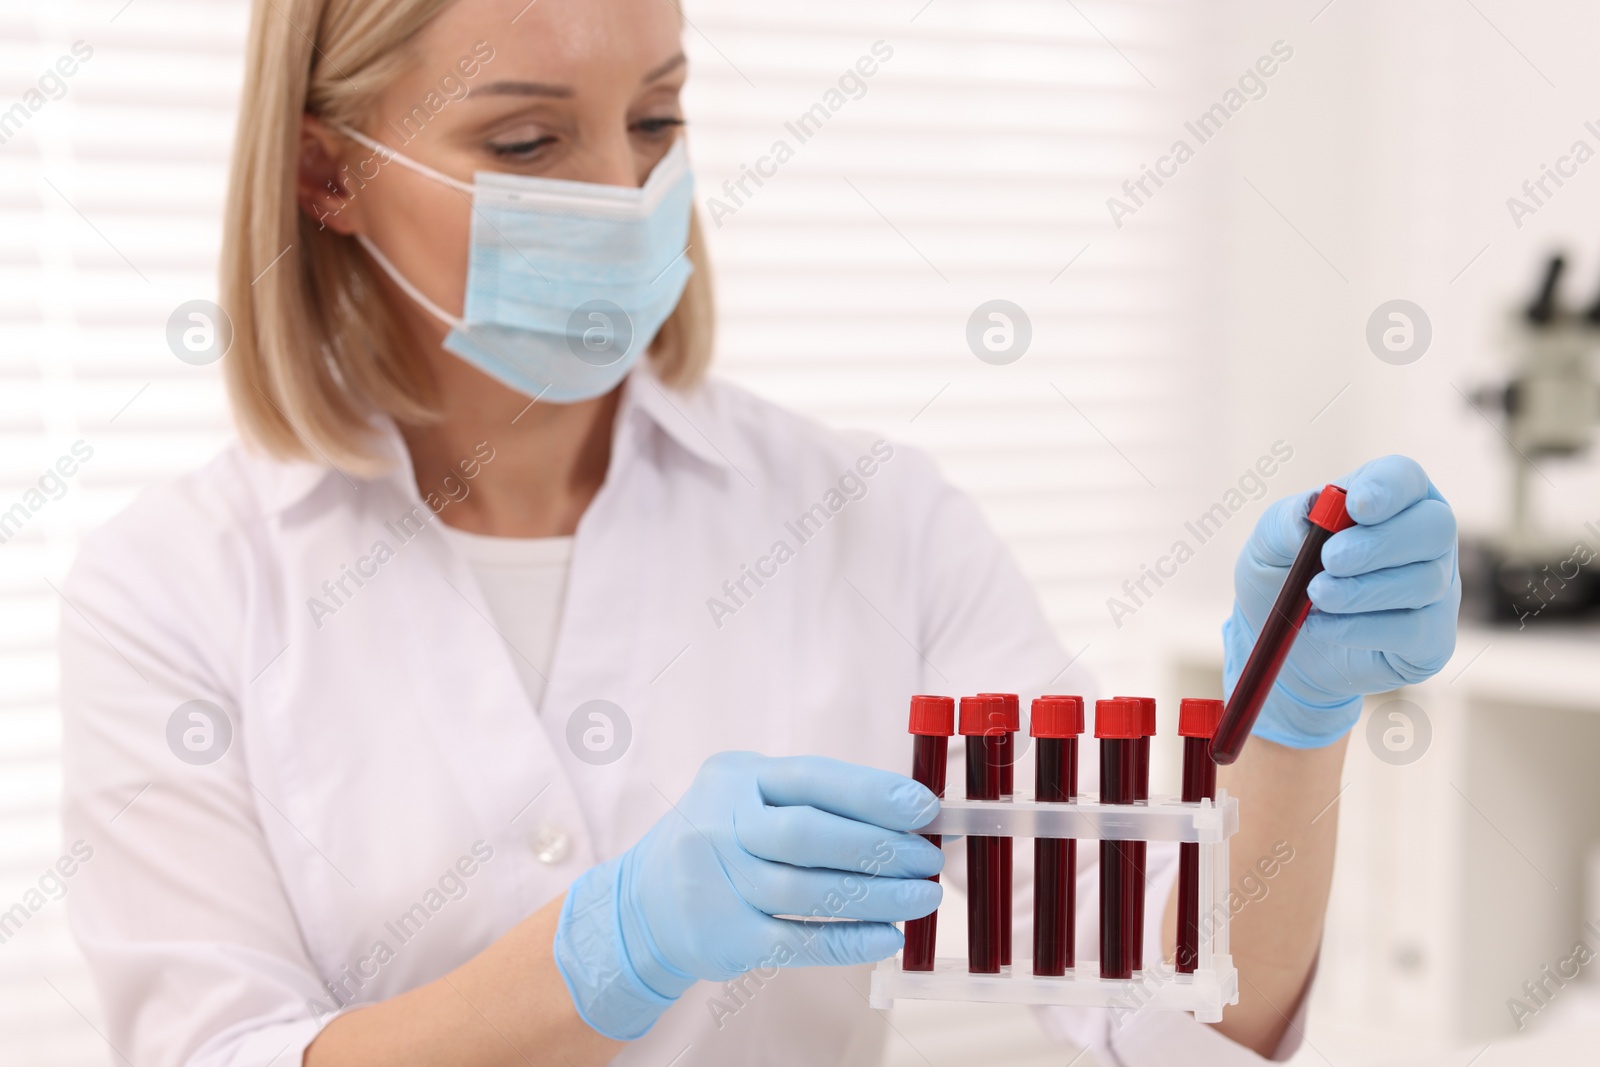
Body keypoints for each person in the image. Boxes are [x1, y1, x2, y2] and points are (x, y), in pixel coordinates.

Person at [58, 1, 1461, 1064]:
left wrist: (1288, 724)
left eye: (657, 121)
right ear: (326, 174)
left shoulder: (876, 525)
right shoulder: (174, 589)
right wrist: (607, 948)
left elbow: (1163, 996)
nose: (621, 191)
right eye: (530, 140)